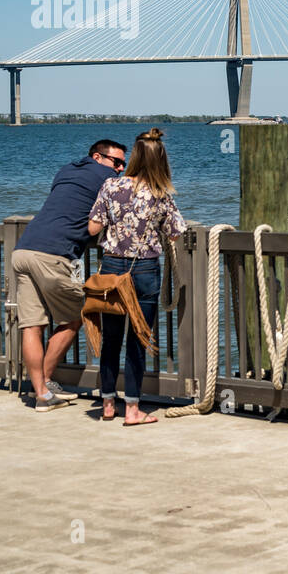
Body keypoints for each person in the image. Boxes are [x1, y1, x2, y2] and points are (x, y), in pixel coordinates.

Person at [12, 139, 127, 411]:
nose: (120, 169)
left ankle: (41, 393)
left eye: (124, 164)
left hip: (23, 250)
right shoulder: (107, 178)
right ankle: (46, 382)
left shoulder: (65, 170)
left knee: (32, 325)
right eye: (117, 162)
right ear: (98, 157)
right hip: (54, 255)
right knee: (77, 316)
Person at [87, 128, 187, 426]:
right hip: (143, 270)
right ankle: (132, 410)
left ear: (134, 155)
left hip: (111, 270)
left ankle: (107, 403)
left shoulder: (110, 186)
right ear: (161, 160)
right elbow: (176, 232)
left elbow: (93, 229)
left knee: (111, 338)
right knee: (138, 339)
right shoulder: (161, 193)